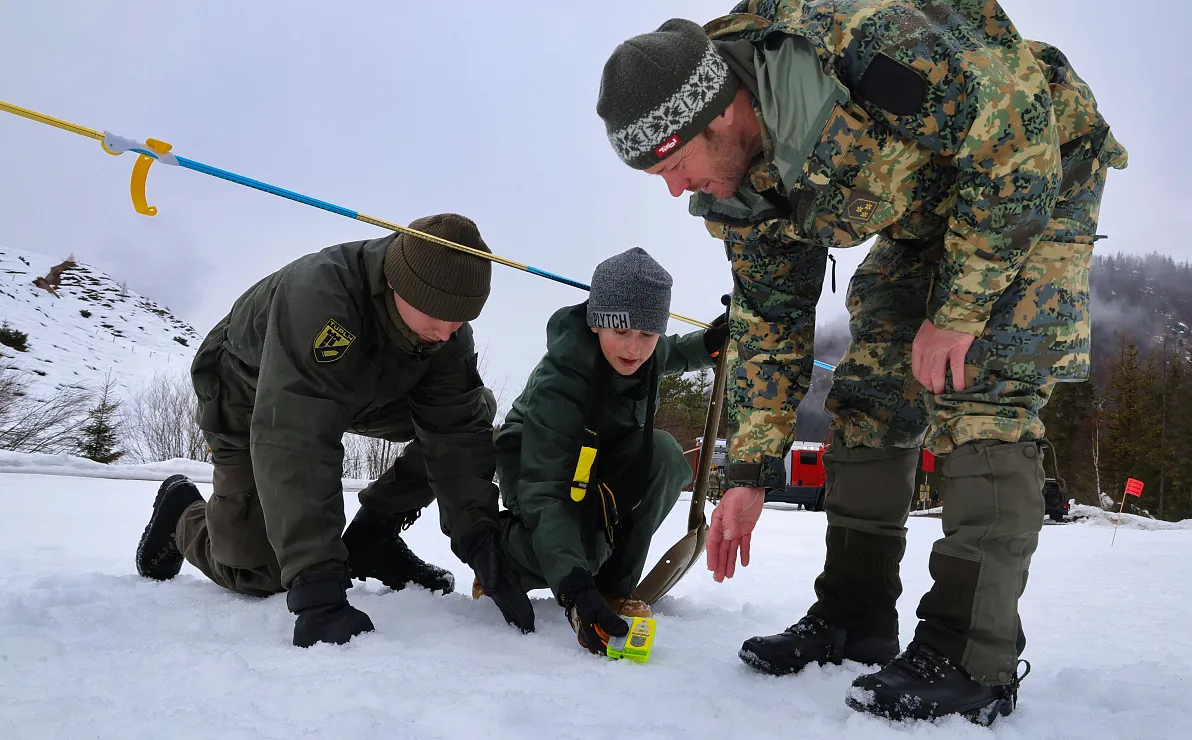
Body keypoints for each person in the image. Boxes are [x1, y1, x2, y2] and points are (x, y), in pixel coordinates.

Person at [596, 0, 1126, 724]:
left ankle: (972, 653)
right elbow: (770, 323)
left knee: (981, 383)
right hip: (928, 211)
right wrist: (750, 472)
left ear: (721, 115)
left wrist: (958, 312)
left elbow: (1014, 132)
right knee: (872, 388)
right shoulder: (739, 189)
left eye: (673, 164)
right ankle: (855, 615)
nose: (674, 188)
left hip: (1034, 161)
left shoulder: (864, 42)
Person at [134, 213, 535, 647]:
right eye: (437, 317)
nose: (446, 332)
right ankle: (184, 517)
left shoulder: (444, 331)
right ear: (397, 284)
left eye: (460, 320)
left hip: (360, 391)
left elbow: (455, 432)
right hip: (248, 397)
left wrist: (478, 535)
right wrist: (317, 582)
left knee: (473, 411)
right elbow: (296, 436)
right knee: (264, 571)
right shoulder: (321, 298)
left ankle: (374, 535)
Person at [487, 247, 727, 654]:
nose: (633, 349)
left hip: (599, 457)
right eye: (621, 332)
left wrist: (709, 343)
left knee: (664, 456)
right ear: (597, 323)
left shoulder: (647, 352)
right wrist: (576, 590)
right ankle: (501, 555)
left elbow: (672, 352)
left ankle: (615, 590)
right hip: (538, 468)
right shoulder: (560, 383)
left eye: (647, 334)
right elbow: (545, 492)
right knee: (579, 548)